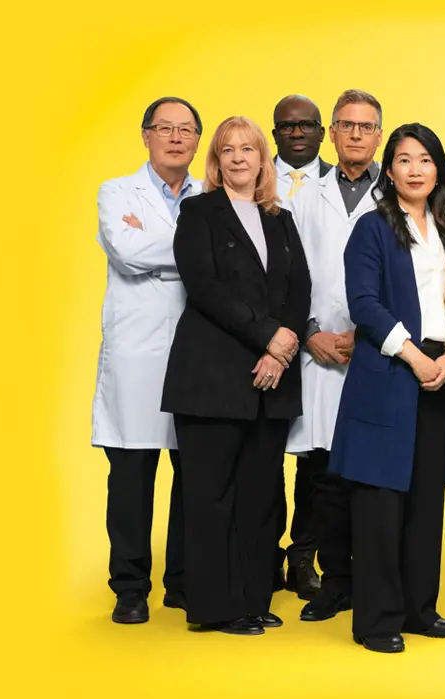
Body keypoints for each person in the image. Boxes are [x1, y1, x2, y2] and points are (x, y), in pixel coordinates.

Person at [161, 116, 311, 635]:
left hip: (272, 380)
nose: (240, 157)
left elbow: (299, 290)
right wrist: (267, 336)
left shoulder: (280, 218)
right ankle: (214, 607)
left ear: (263, 159)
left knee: (258, 496)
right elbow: (205, 288)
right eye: (229, 150)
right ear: (217, 161)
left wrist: (282, 348)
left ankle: (252, 598)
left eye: (249, 148)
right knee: (210, 496)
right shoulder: (198, 212)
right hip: (212, 378)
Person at [329, 123, 445, 653]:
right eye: (404, 160)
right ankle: (377, 620)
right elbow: (363, 303)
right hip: (389, 370)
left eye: (425, 159)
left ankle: (418, 609)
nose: (415, 169)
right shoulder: (371, 227)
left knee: (426, 499)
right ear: (390, 170)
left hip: (440, 370)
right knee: (382, 502)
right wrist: (412, 355)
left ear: (438, 169)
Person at [93, 96, 202, 624]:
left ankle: (182, 583)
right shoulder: (116, 191)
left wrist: (165, 253)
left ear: (199, 140)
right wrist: (193, 257)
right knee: (133, 475)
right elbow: (127, 253)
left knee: (194, 473)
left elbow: (223, 262)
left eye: (186, 130)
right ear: (146, 135)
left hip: (198, 350)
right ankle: (130, 589)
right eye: (166, 128)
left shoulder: (211, 193)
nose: (176, 138)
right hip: (137, 352)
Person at [287, 89, 385, 622]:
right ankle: (334, 581)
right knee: (323, 473)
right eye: (345, 125)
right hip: (319, 350)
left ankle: (369, 578)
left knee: (369, 472)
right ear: (331, 134)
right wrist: (308, 333)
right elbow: (288, 274)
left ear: (378, 136)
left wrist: (369, 336)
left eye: (365, 126)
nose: (354, 134)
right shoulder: (305, 196)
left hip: (376, 350)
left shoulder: (397, 192)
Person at [270, 93, 333, 601]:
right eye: (287, 126)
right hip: (264, 337)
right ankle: (263, 553)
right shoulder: (247, 177)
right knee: (266, 453)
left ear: (322, 131)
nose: (296, 133)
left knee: (316, 458)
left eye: (306, 124)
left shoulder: (347, 182)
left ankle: (305, 555)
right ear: (274, 133)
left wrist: (313, 332)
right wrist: (291, 331)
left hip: (326, 342)